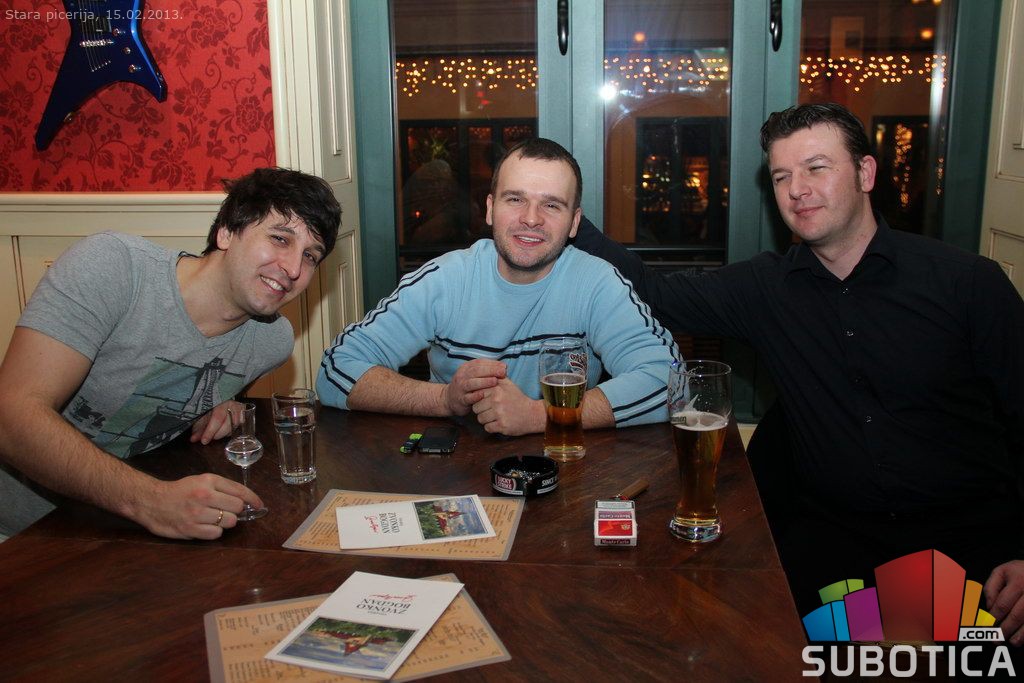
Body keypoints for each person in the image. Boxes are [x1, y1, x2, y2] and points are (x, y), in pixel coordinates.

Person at [573, 103, 1024, 644]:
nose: (797, 190)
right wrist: (562, 214)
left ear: (865, 173)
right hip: (834, 544)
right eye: (782, 176)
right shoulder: (766, 289)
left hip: (973, 548)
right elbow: (652, 291)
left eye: (816, 168)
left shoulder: (968, 284)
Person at [0, 167, 341, 541]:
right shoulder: (113, 267)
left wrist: (224, 401)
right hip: (15, 530)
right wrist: (151, 501)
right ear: (226, 232)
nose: (293, 268)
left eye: (310, 256)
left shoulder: (271, 342)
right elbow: (11, 415)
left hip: (110, 532)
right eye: (279, 238)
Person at [318, 138, 677, 435]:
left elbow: (671, 381)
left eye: (552, 205)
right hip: (454, 474)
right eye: (515, 199)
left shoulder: (597, 283)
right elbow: (336, 371)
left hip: (568, 467)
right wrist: (444, 400)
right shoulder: (445, 280)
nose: (531, 219)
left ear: (574, 222)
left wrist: (540, 415)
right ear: (490, 208)